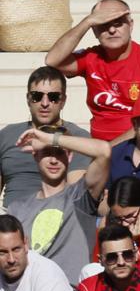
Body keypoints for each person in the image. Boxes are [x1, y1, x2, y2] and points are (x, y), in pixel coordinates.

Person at [44, 0, 140, 141]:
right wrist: (87, 22)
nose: (112, 30)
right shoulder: (91, 57)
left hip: (138, 144)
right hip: (98, 143)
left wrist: (108, 150)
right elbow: (52, 60)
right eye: (103, 24)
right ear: (94, 31)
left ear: (131, 25)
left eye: (118, 23)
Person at [6, 126, 111, 284]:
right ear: (35, 155)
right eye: (47, 152)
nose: (54, 160)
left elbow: (104, 151)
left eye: (60, 152)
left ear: (70, 156)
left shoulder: (80, 196)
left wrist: (50, 139)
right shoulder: (17, 209)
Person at [0, 67, 92, 209]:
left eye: (53, 97)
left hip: (55, 215)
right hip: (9, 220)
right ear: (28, 99)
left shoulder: (76, 138)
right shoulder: (8, 134)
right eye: (37, 96)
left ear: (63, 101)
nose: (45, 103)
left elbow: (75, 194)